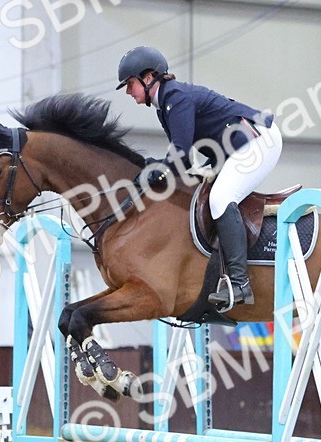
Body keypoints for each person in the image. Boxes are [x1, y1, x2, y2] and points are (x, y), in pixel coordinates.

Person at [117, 46, 282, 310]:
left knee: (220, 198)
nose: (128, 91)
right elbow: (183, 163)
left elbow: (181, 159)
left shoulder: (176, 99)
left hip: (258, 140)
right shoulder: (164, 106)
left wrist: (153, 170)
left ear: (148, 78)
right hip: (231, 148)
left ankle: (240, 283)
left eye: (130, 84)